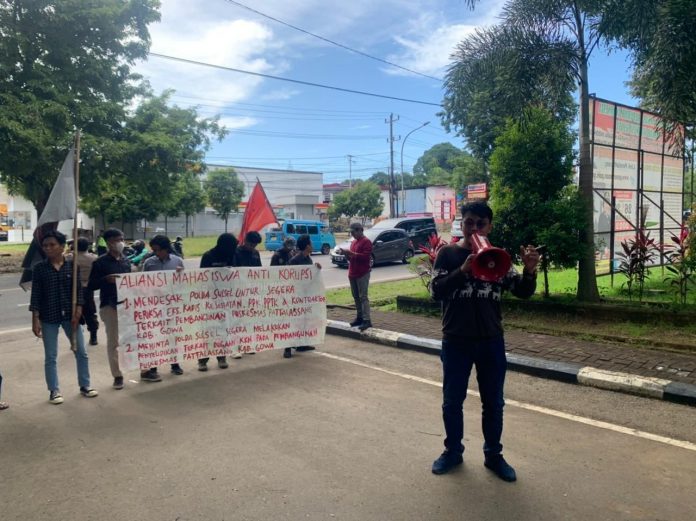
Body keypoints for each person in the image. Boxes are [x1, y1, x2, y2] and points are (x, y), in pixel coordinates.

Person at [429, 201, 540, 482]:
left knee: (494, 403)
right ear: (461, 224)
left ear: (489, 226)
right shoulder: (448, 254)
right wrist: (463, 271)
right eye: (469, 222)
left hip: (491, 341)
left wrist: (529, 270)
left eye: (480, 223)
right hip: (456, 340)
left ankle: (493, 455)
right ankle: (452, 451)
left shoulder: (498, 257)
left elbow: (523, 292)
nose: (474, 228)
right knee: (452, 402)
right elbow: (436, 291)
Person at [30, 230, 98, 404]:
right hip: (48, 316)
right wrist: (35, 319)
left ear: (61, 247)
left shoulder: (72, 266)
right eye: (45, 245)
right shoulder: (39, 268)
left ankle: (85, 385)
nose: (48, 248)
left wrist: (78, 310)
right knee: (51, 356)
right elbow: (36, 295)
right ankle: (54, 390)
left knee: (81, 352)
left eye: (52, 245)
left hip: (70, 316)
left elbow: (78, 291)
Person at [88, 228, 148, 388]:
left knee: (134, 339)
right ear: (108, 242)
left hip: (127, 305)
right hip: (110, 306)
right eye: (117, 239)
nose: (121, 242)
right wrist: (105, 280)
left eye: (122, 238)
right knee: (113, 343)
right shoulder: (100, 262)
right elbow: (91, 285)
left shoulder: (125, 261)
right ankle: (117, 375)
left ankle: (143, 370)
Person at [142, 235, 185, 376]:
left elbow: (185, 283)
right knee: (155, 336)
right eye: (153, 250)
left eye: (158, 250)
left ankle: (175, 364)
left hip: (172, 305)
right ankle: (153, 367)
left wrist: (180, 275)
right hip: (154, 306)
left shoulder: (178, 261)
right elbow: (142, 283)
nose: (156, 253)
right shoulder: (149, 263)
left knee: (172, 335)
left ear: (166, 249)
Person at [199, 233, 239, 370]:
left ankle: (221, 357)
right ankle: (203, 360)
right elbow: (202, 278)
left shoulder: (230, 255)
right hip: (209, 299)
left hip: (225, 299)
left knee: (223, 330)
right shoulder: (208, 256)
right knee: (208, 330)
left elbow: (234, 275)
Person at [284, 234, 322, 358]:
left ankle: (302, 344)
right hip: (294, 296)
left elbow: (309, 278)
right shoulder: (295, 260)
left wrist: (316, 269)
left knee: (303, 320)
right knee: (293, 322)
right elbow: (288, 278)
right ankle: (287, 348)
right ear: (307, 246)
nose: (312, 245)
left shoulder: (308, 260)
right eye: (311, 243)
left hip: (304, 296)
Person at [340, 222, 373, 331]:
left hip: (362, 273)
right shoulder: (354, 242)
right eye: (351, 232)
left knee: (363, 297)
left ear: (360, 230)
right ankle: (359, 317)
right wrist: (346, 254)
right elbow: (351, 259)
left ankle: (367, 320)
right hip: (352, 272)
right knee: (356, 297)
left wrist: (352, 254)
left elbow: (365, 257)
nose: (352, 234)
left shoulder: (367, 242)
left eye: (353, 232)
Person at [72, 237, 99, 346]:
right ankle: (93, 336)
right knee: (90, 313)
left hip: (74, 289)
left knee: (74, 313)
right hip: (88, 288)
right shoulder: (94, 258)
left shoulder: (70, 258)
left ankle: (77, 338)